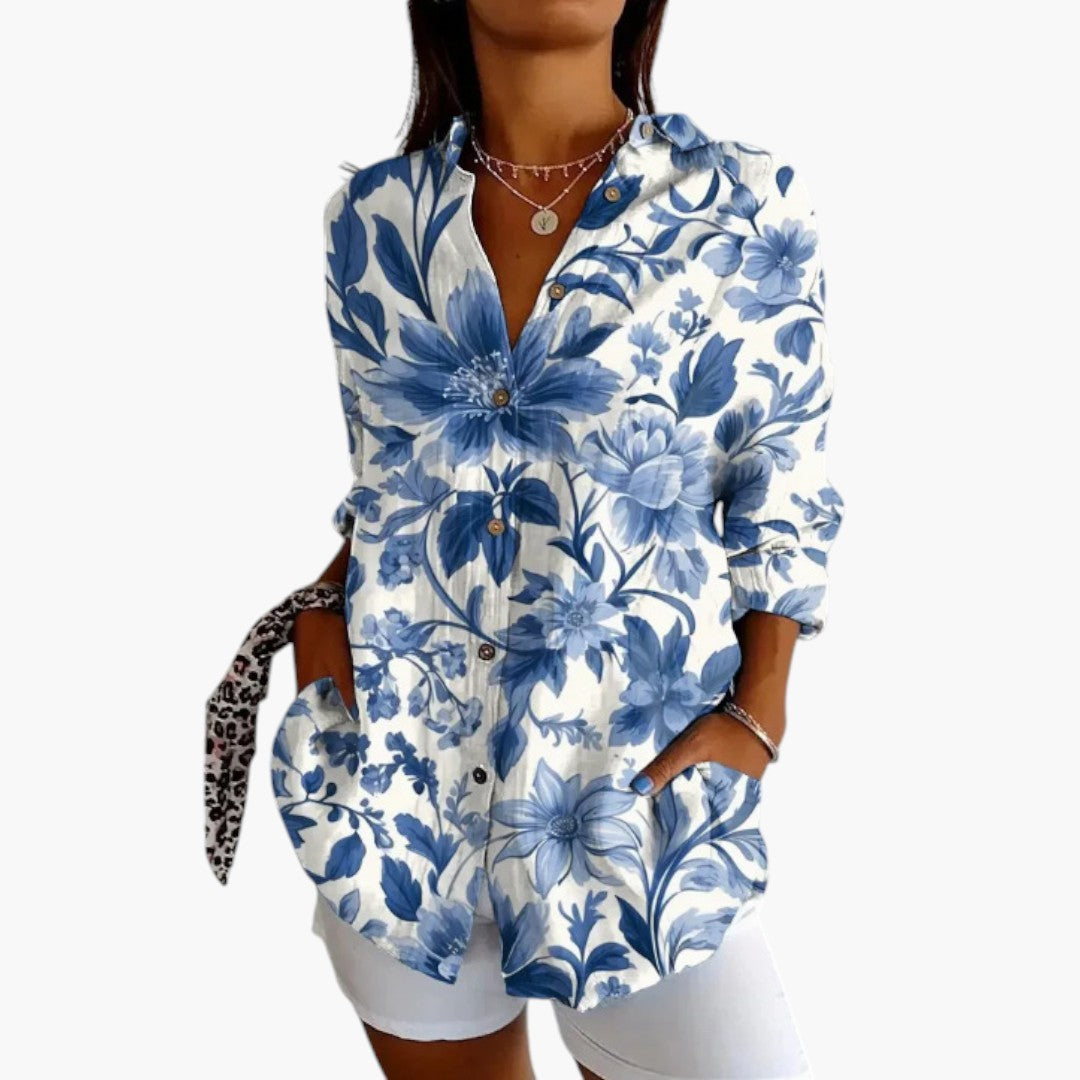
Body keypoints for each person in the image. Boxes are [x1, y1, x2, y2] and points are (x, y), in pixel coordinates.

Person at [288, 1, 843, 1076]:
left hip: (632, 808)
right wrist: (321, 629)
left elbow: (782, 481)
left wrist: (761, 707)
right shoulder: (371, 222)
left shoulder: (741, 206)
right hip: (399, 810)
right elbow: (391, 484)